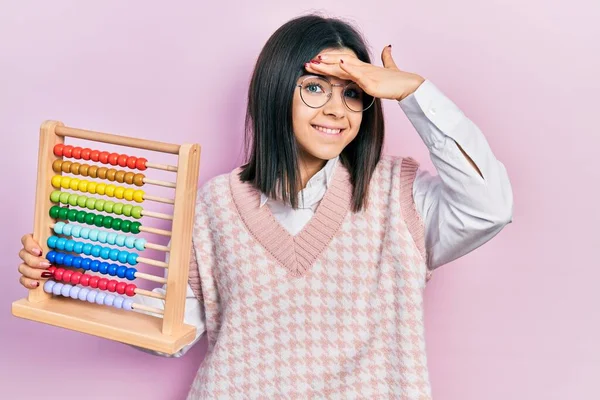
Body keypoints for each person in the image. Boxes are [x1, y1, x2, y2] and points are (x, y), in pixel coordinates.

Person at [17, 13, 513, 399]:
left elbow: (489, 206)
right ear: (277, 91)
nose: (336, 109)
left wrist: (413, 92)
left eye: (354, 93)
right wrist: (67, 279)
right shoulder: (215, 205)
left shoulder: (397, 196)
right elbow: (174, 329)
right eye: (315, 88)